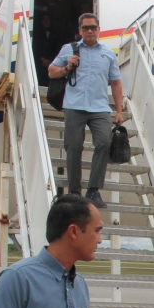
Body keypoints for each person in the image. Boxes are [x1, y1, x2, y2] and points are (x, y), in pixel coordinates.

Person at [48, 12, 124, 209]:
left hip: (99, 107)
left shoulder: (108, 53)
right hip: (74, 104)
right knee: (73, 146)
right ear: (79, 31)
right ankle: (74, 191)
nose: (89, 31)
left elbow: (115, 82)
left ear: (99, 30)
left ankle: (93, 190)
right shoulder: (69, 49)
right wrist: (67, 67)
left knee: (104, 143)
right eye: (85, 28)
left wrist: (118, 111)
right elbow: (51, 71)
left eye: (93, 27)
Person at [32, 12, 60, 86]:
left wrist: (51, 60)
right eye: (44, 19)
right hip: (39, 63)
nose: (46, 21)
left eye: (48, 19)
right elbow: (34, 47)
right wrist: (41, 58)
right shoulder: (36, 33)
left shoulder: (55, 33)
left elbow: (58, 48)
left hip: (52, 63)